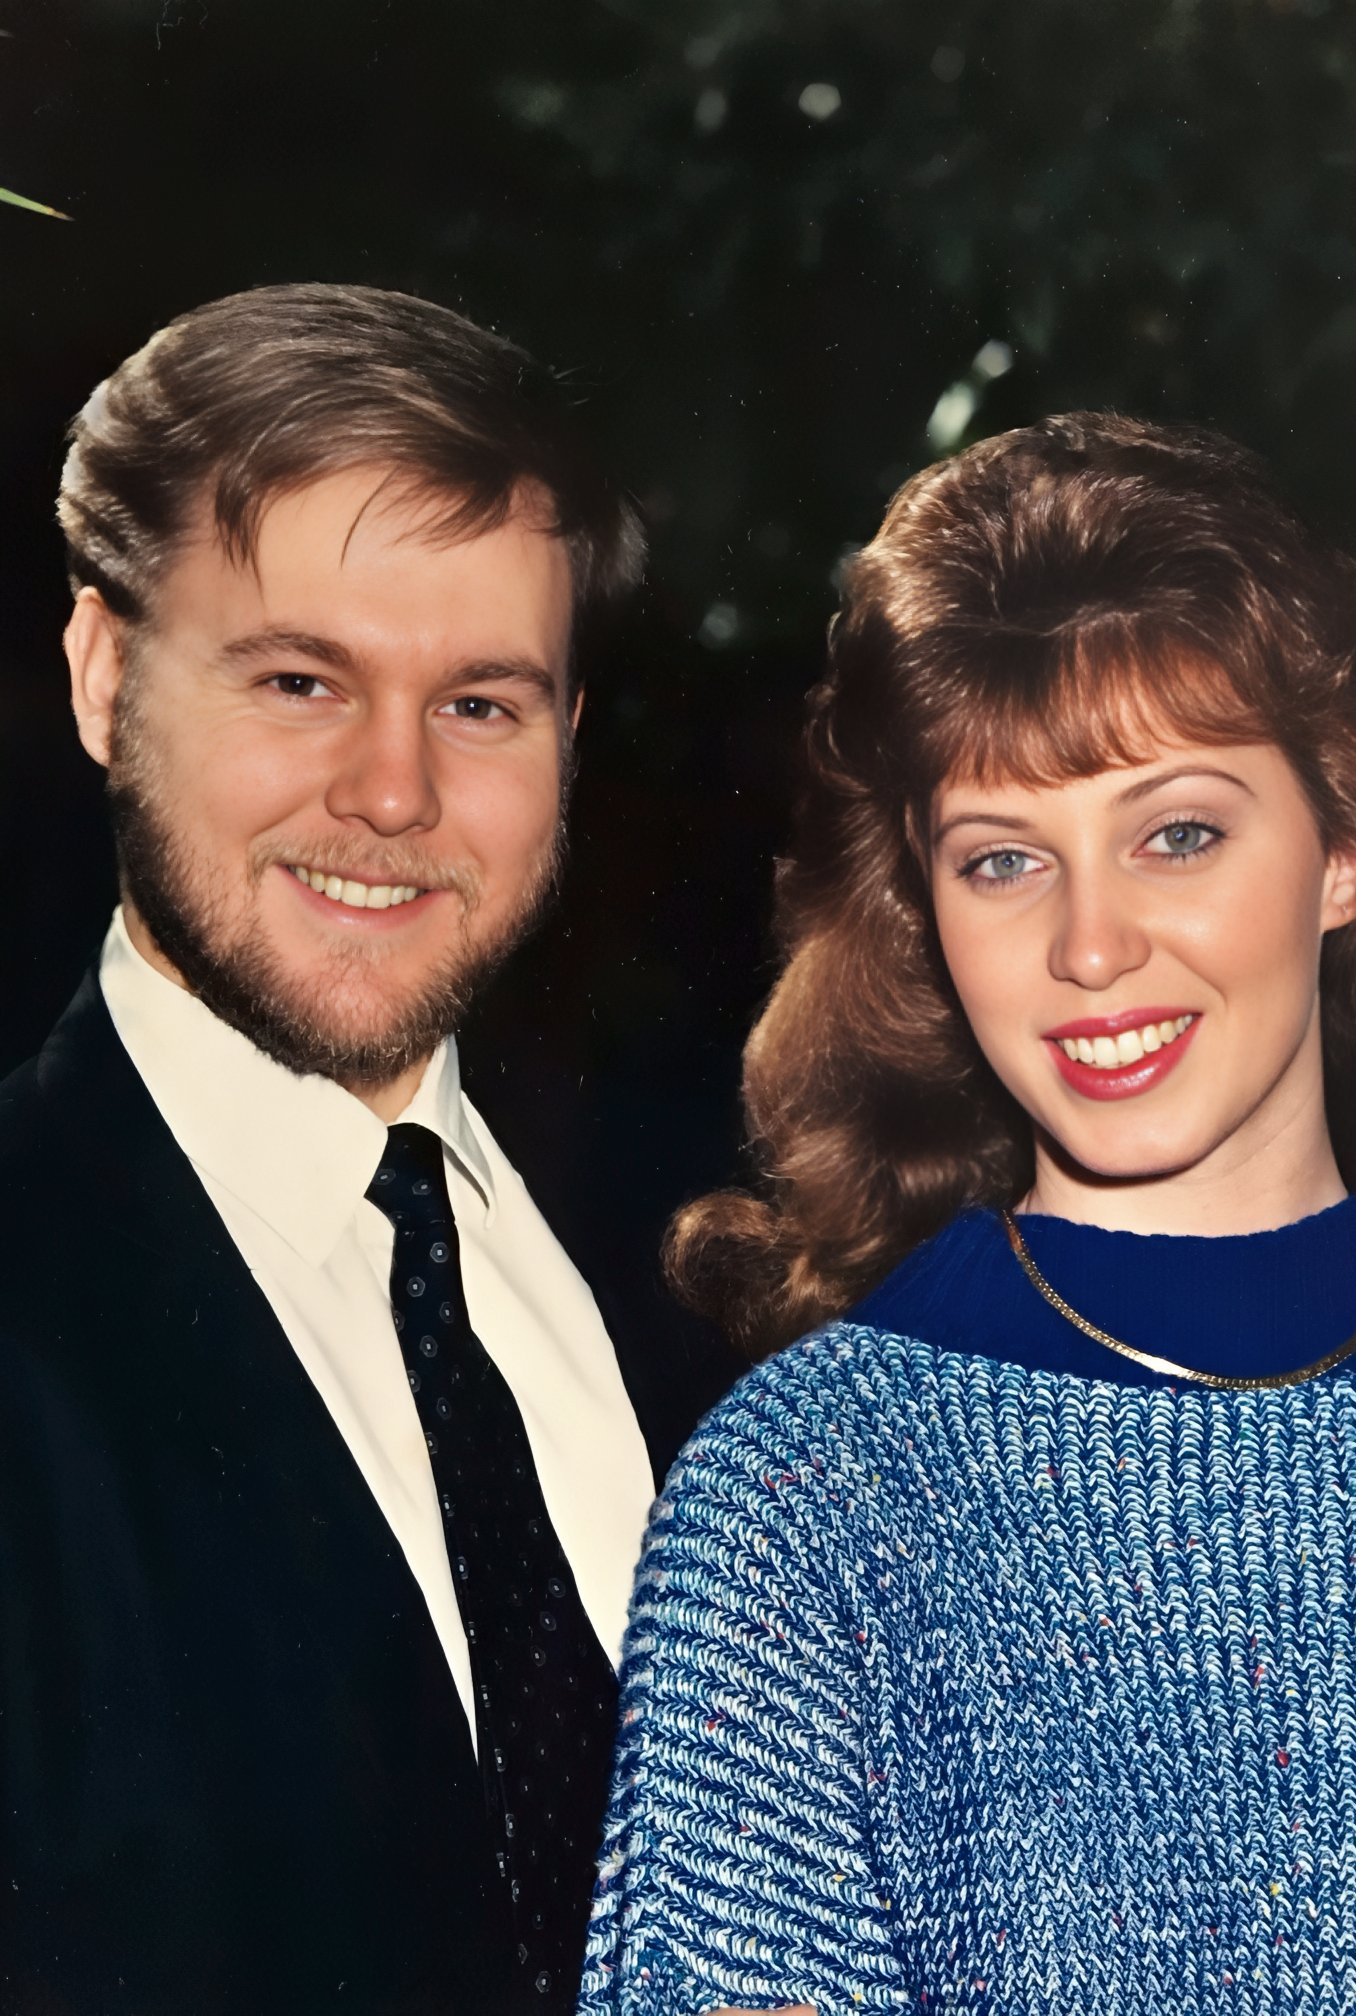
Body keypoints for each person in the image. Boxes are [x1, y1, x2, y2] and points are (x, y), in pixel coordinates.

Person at [579, 414, 1356, 2015]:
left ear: (1347, 849)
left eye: (1180, 834)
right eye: (1005, 862)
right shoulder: (806, 1499)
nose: (1091, 948)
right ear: (926, 916)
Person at [0, 282, 723, 2015]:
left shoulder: (718, 1260)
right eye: (303, 679)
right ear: (106, 676)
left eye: (480, 703)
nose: (391, 792)